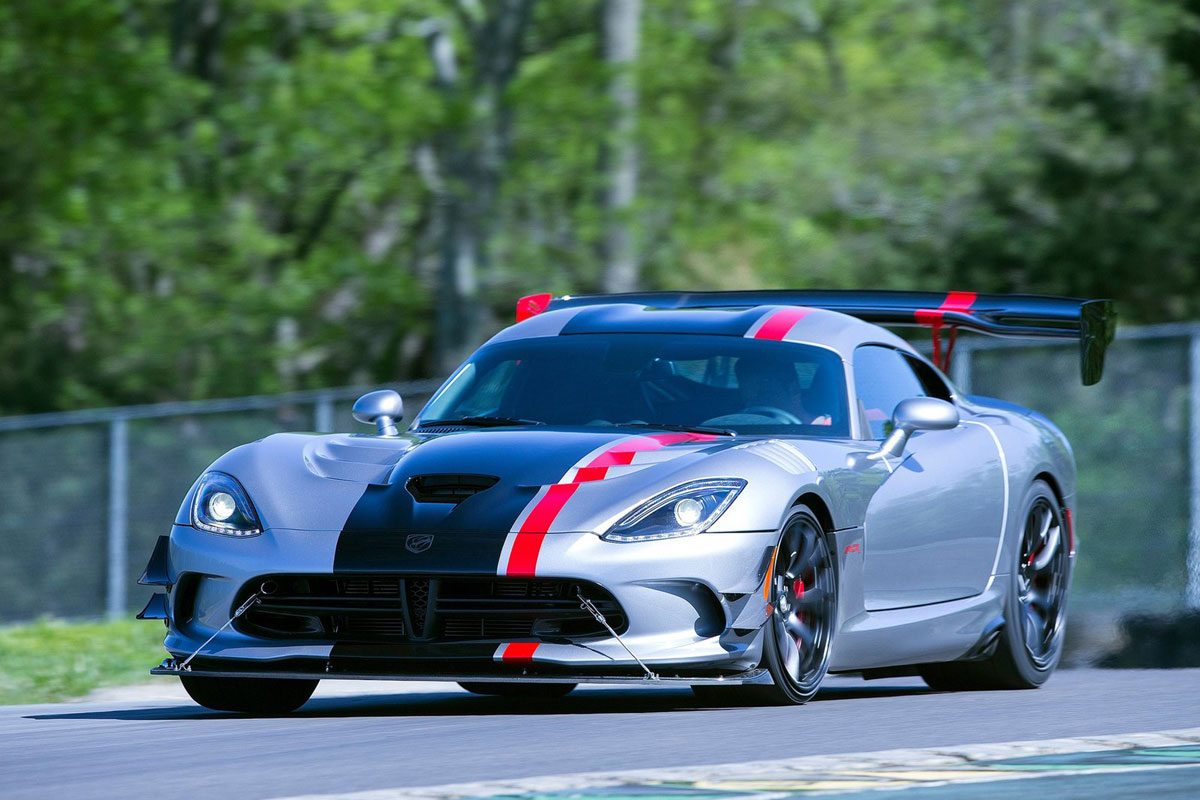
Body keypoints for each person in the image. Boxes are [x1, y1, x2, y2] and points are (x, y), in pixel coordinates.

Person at [734, 356, 833, 425]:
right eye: (748, 396)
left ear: (792, 389)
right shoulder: (733, 432)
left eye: (764, 393)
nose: (755, 403)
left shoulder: (831, 430)